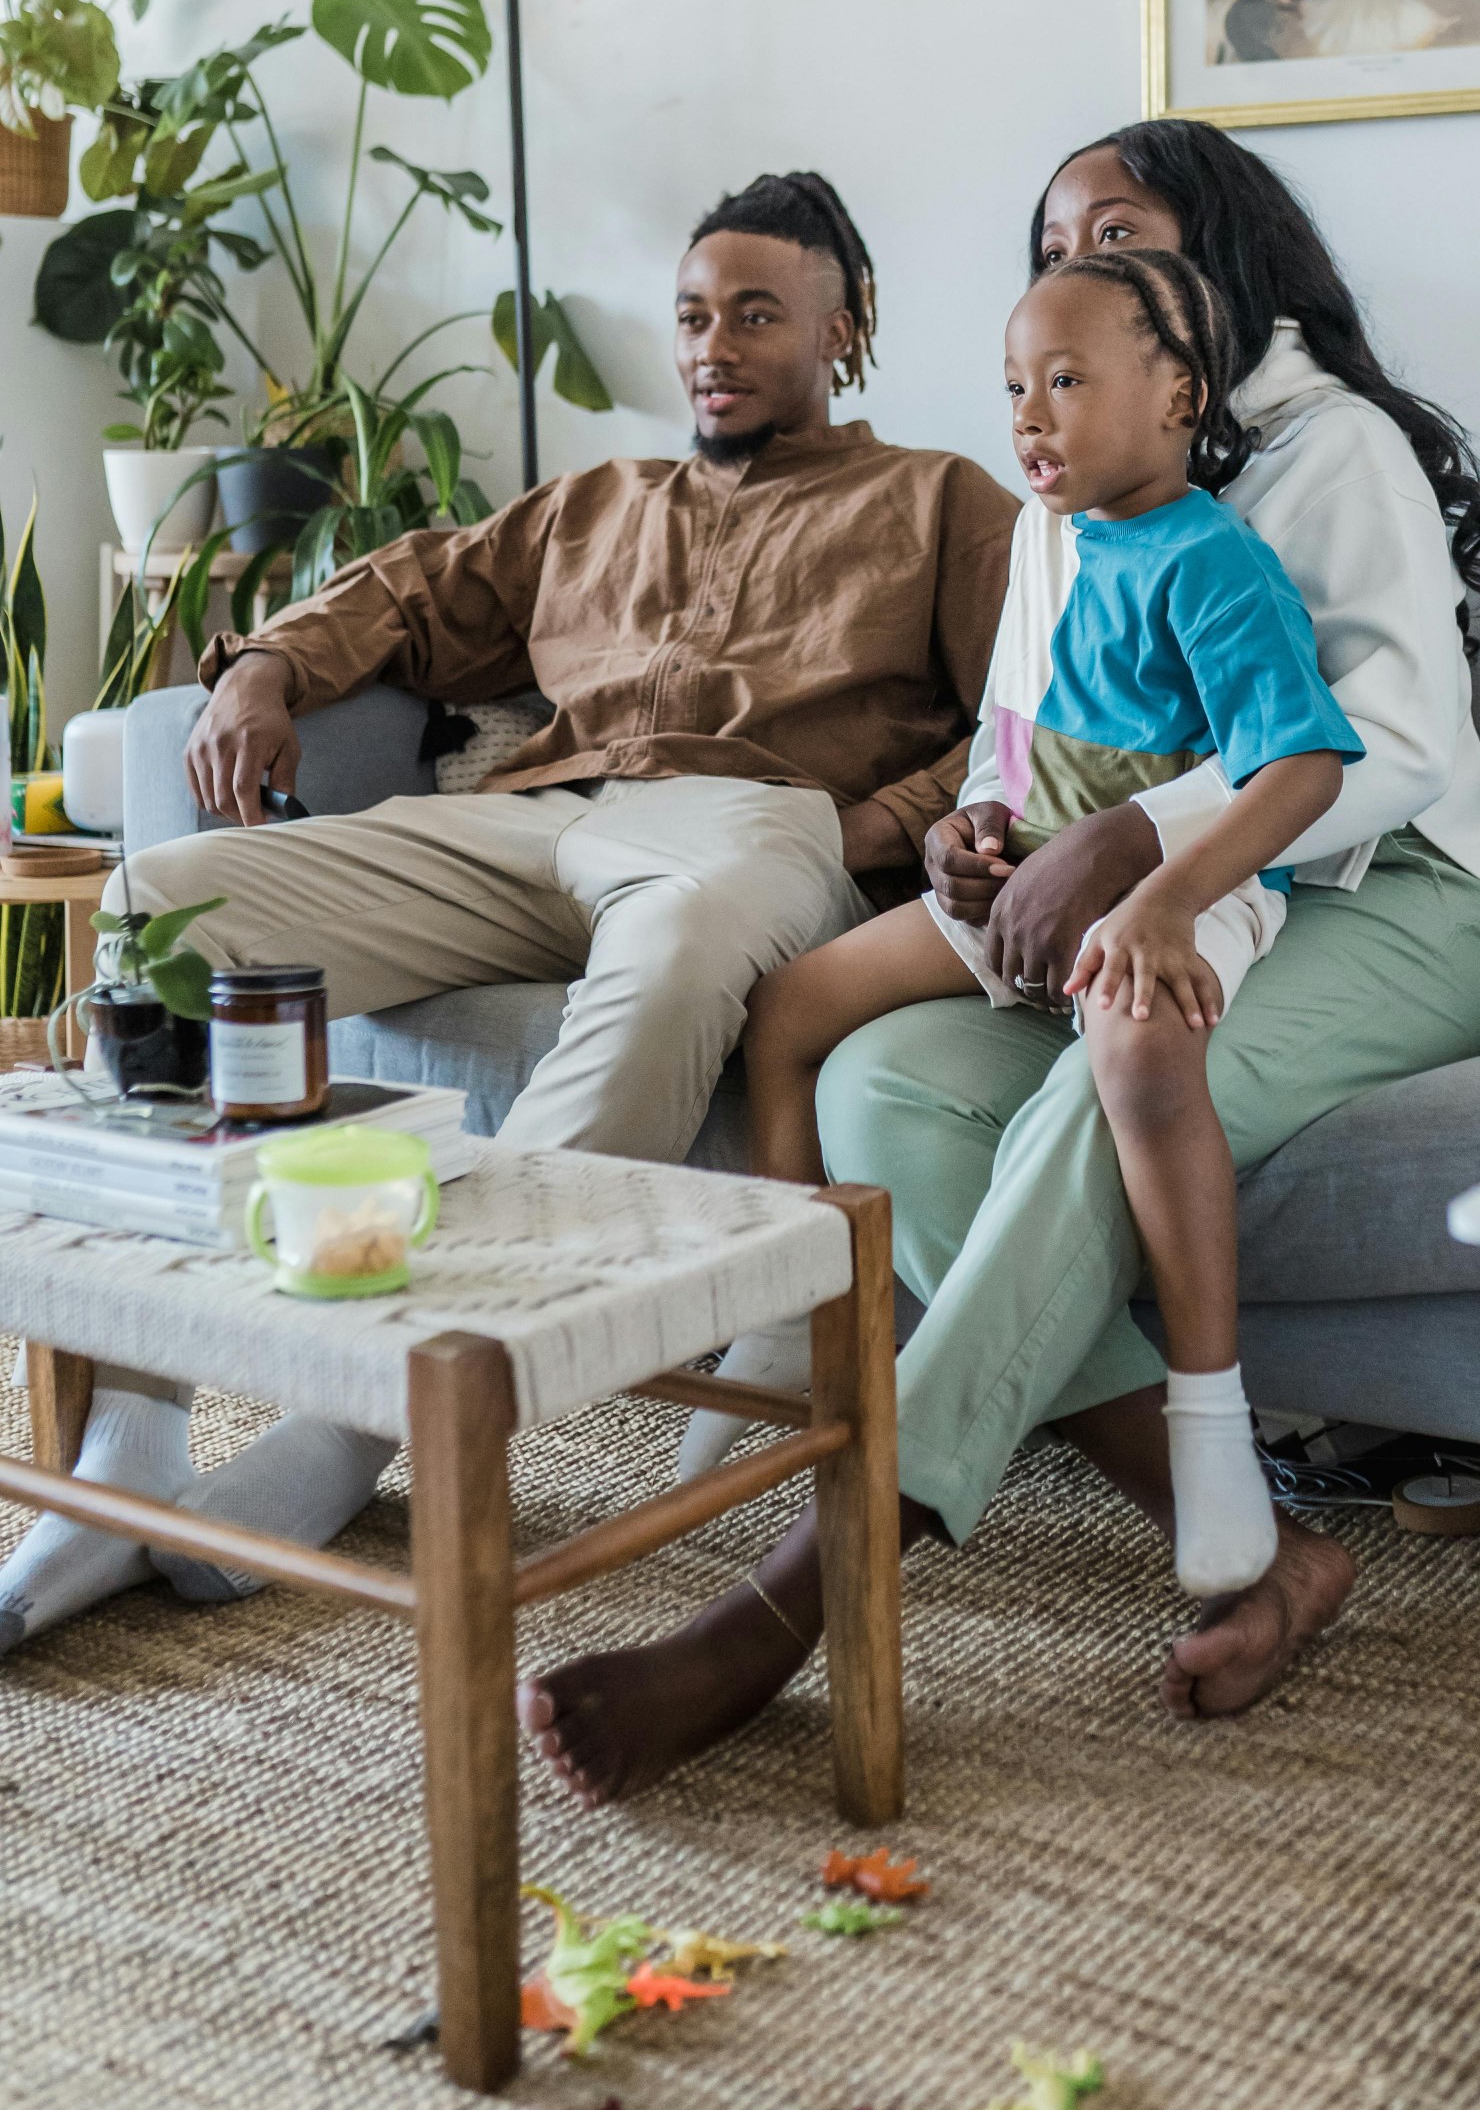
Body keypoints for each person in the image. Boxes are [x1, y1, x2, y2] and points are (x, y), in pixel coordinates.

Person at [521, 121, 1480, 1805]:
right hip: (1166, 893)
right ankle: (1266, 1547)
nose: (1087, 259)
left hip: (1402, 896)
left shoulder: (1328, 449)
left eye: (1125, 228)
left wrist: (1131, 847)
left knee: (1103, 1091)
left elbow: (1397, 751)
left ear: (1213, 265)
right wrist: (976, 832)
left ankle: (794, 1600)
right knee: (885, 1086)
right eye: (1057, 239)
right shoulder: (1071, 480)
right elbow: (1025, 728)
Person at [0, 170, 1017, 1656]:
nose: (713, 346)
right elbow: (411, 591)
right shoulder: (600, 504)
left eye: (755, 314)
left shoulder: (940, 501)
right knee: (169, 903)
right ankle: (133, 1443)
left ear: (841, 331)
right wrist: (263, 672)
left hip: (753, 825)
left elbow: (1025, 721)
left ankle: (361, 1424)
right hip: (535, 817)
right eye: (690, 316)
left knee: (670, 961)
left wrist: (882, 826)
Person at [694, 247, 1360, 1599]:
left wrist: (1167, 900)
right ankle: (793, 1322)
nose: (1030, 419)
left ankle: (1216, 1425)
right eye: (1013, 388)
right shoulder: (1052, 543)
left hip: (1190, 891)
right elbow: (1008, 756)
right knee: (789, 1008)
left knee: (1137, 1053)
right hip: (1040, 881)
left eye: (1066, 382)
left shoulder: (1216, 564)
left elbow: (1304, 767)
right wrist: (962, 840)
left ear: (1179, 395)